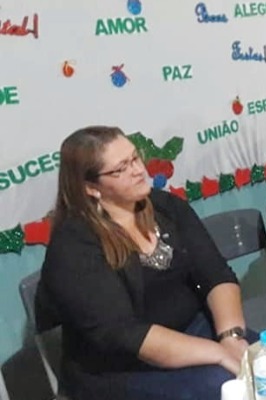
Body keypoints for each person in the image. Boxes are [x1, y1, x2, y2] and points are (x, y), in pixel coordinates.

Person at [36, 126, 251, 400]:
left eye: (136, 158)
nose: (138, 170)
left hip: (192, 332)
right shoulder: (73, 246)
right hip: (120, 367)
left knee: (263, 359)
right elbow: (124, 334)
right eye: (120, 169)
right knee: (221, 385)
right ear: (91, 188)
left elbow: (216, 274)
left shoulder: (166, 206)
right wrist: (218, 354)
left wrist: (231, 337)